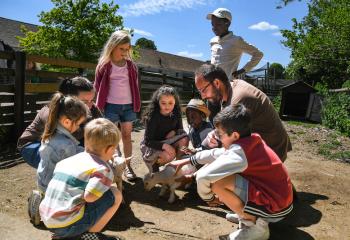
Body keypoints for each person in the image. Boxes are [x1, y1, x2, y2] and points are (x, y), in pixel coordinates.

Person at [171, 104, 293, 240]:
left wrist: (209, 198)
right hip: (280, 201)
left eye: (220, 134)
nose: (217, 138)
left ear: (234, 135)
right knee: (223, 173)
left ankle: (255, 226)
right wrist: (187, 160)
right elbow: (216, 153)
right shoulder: (248, 141)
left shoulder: (240, 153)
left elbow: (203, 177)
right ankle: (244, 212)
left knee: (218, 183)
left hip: (275, 207)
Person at [39, 118, 123, 240]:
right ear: (109, 149)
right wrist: (104, 188)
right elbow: (89, 197)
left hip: (48, 219)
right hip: (66, 224)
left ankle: (64, 235)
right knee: (115, 194)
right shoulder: (102, 168)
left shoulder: (69, 160)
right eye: (114, 148)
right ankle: (87, 235)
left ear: (86, 142)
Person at [195, 63, 292, 162]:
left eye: (203, 90)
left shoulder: (238, 100)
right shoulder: (230, 88)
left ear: (216, 83)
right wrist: (215, 133)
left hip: (272, 152)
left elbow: (230, 143)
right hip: (262, 145)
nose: (203, 96)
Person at [28, 93, 89, 226]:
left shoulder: (52, 132)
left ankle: (41, 198)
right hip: (53, 186)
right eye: (78, 124)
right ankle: (49, 209)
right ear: (67, 122)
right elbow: (74, 167)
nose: (79, 127)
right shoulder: (65, 145)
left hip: (42, 180)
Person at [17, 76, 103, 169]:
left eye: (92, 100)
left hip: (61, 143)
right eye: (84, 101)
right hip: (33, 145)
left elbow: (103, 125)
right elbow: (68, 136)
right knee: (67, 159)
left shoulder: (90, 106)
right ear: (69, 98)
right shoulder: (51, 112)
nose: (90, 105)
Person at [94, 30, 141, 181]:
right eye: (121, 49)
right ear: (113, 46)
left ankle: (128, 166)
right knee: (112, 138)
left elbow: (135, 85)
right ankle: (115, 165)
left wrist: (136, 103)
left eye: (127, 49)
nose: (124, 52)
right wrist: (96, 104)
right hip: (110, 106)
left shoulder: (131, 66)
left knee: (127, 135)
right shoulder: (104, 65)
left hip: (128, 106)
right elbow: (97, 86)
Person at [140, 85, 189, 173]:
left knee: (184, 139)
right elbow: (148, 141)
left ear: (175, 102)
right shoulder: (152, 117)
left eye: (170, 103)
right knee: (169, 154)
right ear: (158, 102)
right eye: (163, 103)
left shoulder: (176, 112)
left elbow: (180, 129)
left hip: (168, 140)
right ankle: (154, 165)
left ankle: (178, 167)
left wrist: (174, 131)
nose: (167, 106)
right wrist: (165, 146)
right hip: (153, 145)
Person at [207, 8, 263, 79]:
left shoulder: (236, 40)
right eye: (212, 24)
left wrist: (243, 70)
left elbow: (258, 54)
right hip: (213, 83)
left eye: (218, 24)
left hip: (229, 85)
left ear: (227, 24)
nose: (214, 28)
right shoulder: (212, 41)